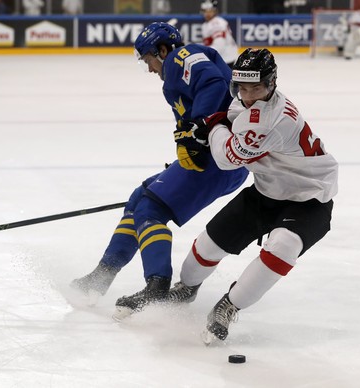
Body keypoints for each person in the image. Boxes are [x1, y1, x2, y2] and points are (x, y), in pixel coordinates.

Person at [70, 22, 249, 319]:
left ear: (163, 49)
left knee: (150, 209)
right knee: (140, 197)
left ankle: (156, 285)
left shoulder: (182, 57)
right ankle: (102, 275)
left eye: (149, 59)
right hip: (215, 160)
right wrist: (191, 139)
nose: (151, 68)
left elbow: (213, 83)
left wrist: (196, 128)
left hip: (219, 162)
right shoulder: (175, 75)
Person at [171, 48, 338, 344]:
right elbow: (231, 120)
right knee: (206, 248)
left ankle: (228, 305)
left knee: (283, 246)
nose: (247, 96)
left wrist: (210, 128)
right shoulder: (248, 102)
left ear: (271, 83)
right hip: (267, 190)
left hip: (309, 198)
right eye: (242, 87)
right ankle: (186, 288)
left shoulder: (269, 120)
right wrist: (214, 125)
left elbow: (227, 158)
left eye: (256, 88)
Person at [200, 0, 238, 67]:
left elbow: (219, 46)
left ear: (215, 11)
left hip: (227, 60)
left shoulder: (216, 23)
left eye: (210, 11)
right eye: (205, 11)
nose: (207, 14)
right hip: (224, 59)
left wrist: (202, 55)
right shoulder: (207, 24)